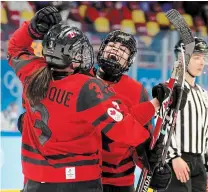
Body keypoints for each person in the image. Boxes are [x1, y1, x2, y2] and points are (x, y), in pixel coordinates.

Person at [8, 7, 178, 192]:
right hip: (79, 182)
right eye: (80, 52)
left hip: (34, 180)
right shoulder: (86, 87)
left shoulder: (32, 71)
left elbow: (15, 48)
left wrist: (32, 29)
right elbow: (124, 128)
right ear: (71, 58)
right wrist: (150, 149)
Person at [92, 30, 188, 192]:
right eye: (112, 45)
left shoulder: (136, 91)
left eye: (123, 50)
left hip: (120, 182)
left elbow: (142, 143)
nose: (116, 50)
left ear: (129, 60)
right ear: (102, 49)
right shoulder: (82, 79)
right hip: (84, 178)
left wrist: (153, 168)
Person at [153, 37, 208, 192]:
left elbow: (205, 131)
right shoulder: (170, 88)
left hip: (198, 164)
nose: (201, 62)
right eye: (196, 57)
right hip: (177, 161)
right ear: (182, 59)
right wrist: (173, 157)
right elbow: (162, 125)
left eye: (203, 58)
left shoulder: (203, 93)